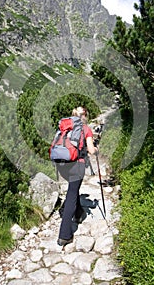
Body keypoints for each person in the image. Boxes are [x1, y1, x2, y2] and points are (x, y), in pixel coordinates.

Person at [56, 106, 98, 247]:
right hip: (76, 165)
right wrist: (96, 149)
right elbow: (91, 150)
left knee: (74, 190)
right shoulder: (85, 128)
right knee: (71, 194)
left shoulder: (65, 126)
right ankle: (64, 235)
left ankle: (79, 214)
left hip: (62, 165)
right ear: (84, 115)